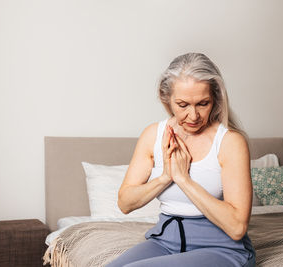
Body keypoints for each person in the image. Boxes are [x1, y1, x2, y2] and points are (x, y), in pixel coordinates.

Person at [106, 52, 256, 267]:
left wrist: (184, 180)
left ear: (215, 99)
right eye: (183, 105)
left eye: (203, 104)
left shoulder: (230, 142)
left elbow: (237, 227)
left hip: (222, 249)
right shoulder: (153, 135)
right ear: (165, 98)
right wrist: (166, 177)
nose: (193, 116)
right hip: (165, 242)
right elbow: (125, 203)